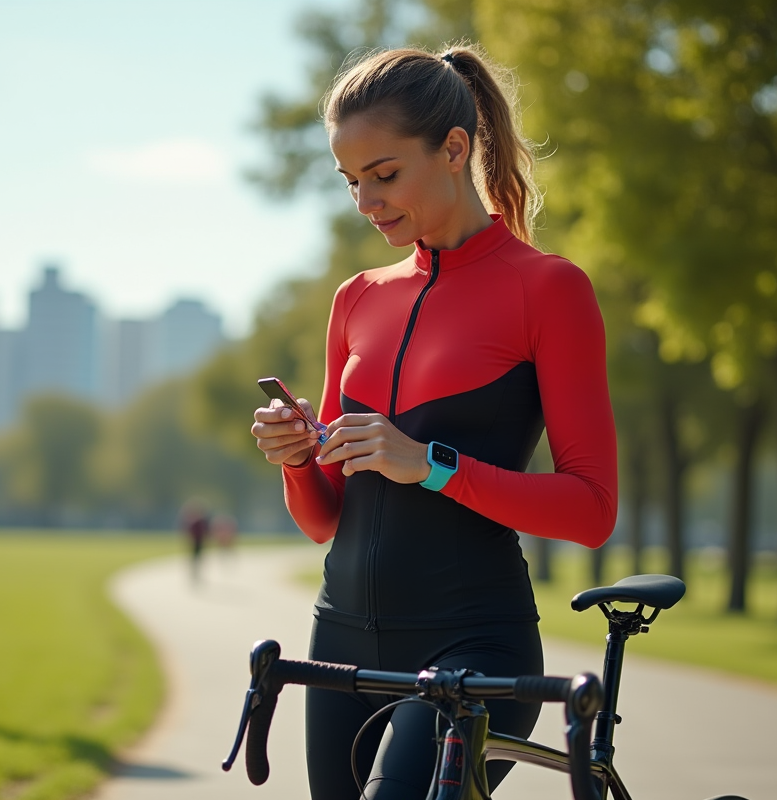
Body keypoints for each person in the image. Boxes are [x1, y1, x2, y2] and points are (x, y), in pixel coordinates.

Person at [250, 44, 617, 799]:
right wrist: (296, 457)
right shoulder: (355, 298)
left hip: (474, 645)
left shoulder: (549, 290)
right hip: (342, 642)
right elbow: (324, 519)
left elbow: (591, 508)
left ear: (455, 148)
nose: (365, 202)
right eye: (351, 182)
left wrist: (432, 465)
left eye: (384, 175)